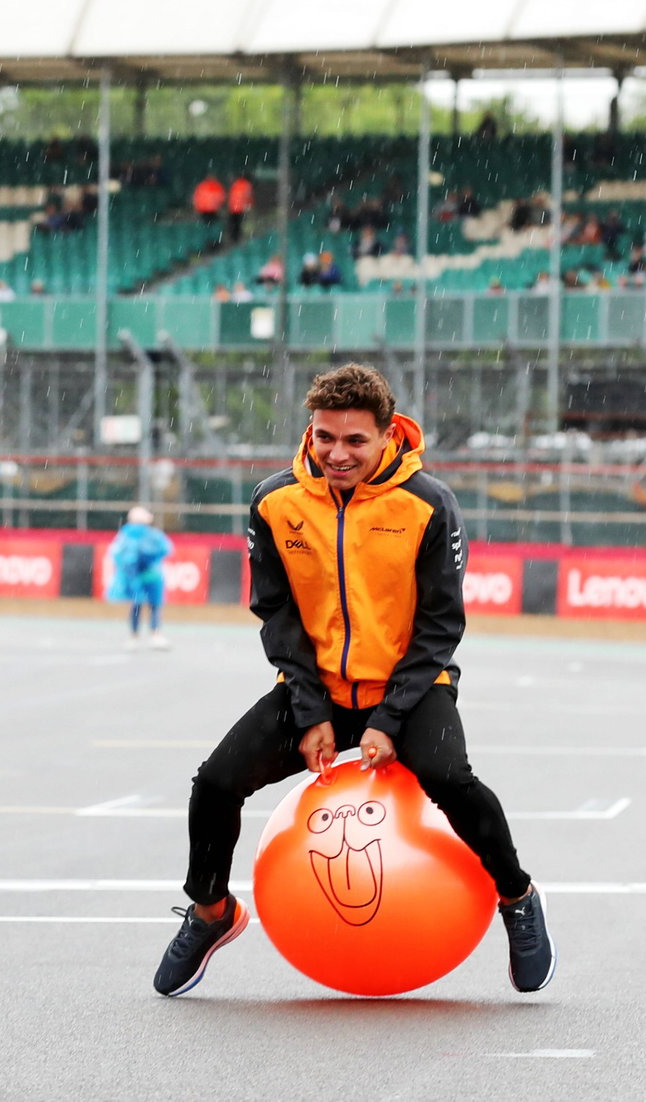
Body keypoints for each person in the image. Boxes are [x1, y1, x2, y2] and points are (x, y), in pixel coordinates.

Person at [150, 364, 555, 999]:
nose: (337, 453)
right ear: (309, 432)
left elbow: (439, 626)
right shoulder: (273, 501)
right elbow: (277, 614)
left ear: (388, 435)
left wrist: (389, 720)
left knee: (451, 779)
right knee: (215, 784)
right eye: (324, 438)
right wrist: (311, 711)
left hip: (412, 687)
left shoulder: (428, 505)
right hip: (319, 690)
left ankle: (517, 895)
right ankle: (210, 913)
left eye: (355, 441)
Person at [106, 506, 173, 650]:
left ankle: (141, 635)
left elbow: (117, 553)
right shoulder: (135, 535)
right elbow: (165, 549)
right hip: (145, 576)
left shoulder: (131, 535)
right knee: (145, 606)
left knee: (146, 605)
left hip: (147, 576)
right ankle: (145, 635)